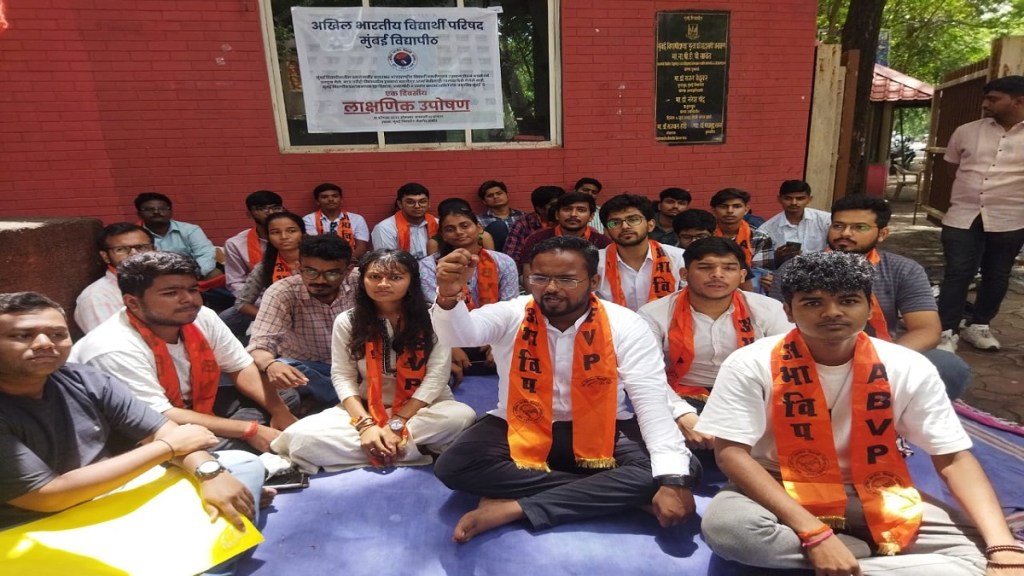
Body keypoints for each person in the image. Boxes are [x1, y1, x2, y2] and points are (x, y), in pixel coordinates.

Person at [697, 251, 1023, 575]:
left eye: (848, 301)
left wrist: (1003, 546)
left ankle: (849, 563)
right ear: (789, 311)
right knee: (730, 531)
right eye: (813, 303)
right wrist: (814, 534)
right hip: (776, 484)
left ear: (869, 307)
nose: (832, 313)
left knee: (984, 554)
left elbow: (952, 458)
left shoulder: (906, 366)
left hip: (871, 486)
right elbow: (731, 454)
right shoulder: (751, 363)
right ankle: (860, 553)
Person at [430, 236, 699, 543]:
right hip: (520, 420)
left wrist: (674, 480)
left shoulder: (625, 323)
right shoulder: (512, 313)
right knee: (453, 466)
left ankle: (516, 506)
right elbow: (459, 334)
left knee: (684, 467)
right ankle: (612, 492)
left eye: (567, 279)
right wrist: (450, 297)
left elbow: (650, 400)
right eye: (540, 278)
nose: (552, 288)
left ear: (593, 281)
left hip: (605, 425)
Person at [0, 291, 264, 549]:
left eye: (58, 334)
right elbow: (48, 497)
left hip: (112, 496)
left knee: (242, 465)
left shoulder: (84, 379)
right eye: (23, 335)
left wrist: (211, 474)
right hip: (36, 527)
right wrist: (167, 449)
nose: (46, 343)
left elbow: (164, 430)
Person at [69, 252, 298, 454]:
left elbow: (239, 366)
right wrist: (249, 429)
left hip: (191, 405)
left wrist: (279, 410)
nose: (188, 299)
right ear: (133, 303)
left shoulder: (201, 316)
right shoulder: (113, 347)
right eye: (170, 293)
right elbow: (157, 416)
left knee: (285, 397)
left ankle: (233, 441)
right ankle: (229, 444)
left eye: (192, 289)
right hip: (135, 429)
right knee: (209, 446)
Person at [270, 250, 476, 473]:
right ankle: (410, 448)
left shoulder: (435, 318)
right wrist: (366, 425)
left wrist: (397, 424)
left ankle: (380, 446)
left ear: (411, 281)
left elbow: (437, 378)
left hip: (425, 408)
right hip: (368, 407)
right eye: (375, 277)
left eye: (395, 277)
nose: (383, 284)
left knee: (461, 417)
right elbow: (342, 376)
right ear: (363, 281)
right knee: (301, 438)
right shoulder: (348, 321)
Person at [769, 194, 972, 400]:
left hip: (882, 353)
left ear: (882, 234)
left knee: (948, 367)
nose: (845, 234)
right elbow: (776, 326)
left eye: (860, 227)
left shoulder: (903, 270)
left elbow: (927, 329)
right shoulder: (795, 268)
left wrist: (880, 360)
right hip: (812, 354)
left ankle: (899, 421)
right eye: (838, 226)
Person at [638, 237, 792, 448]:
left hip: (752, 394)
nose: (717, 274)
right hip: (683, 394)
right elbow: (645, 375)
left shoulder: (769, 309)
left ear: (742, 275)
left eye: (729, 268)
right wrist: (681, 413)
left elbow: (789, 363)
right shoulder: (653, 314)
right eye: (705, 267)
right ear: (684, 274)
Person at [937, 75, 1024, 353]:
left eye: (993, 99)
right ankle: (945, 331)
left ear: (1018, 101)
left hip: (1010, 217)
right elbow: (953, 168)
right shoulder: (966, 131)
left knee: (997, 274)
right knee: (957, 273)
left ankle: (979, 325)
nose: (985, 104)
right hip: (963, 214)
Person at [247, 234, 359, 409]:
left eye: (332, 273)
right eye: (311, 272)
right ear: (299, 267)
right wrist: (270, 364)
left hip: (355, 364)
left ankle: (334, 398)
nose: (320, 280)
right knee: (283, 366)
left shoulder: (361, 282)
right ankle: (350, 396)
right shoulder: (282, 292)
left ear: (348, 271)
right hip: (310, 369)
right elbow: (260, 346)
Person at [420, 206, 519, 380]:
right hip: (444, 338)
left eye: (465, 226)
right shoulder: (428, 266)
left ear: (479, 228)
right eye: (450, 229)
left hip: (495, 336)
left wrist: (497, 342)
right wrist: (450, 346)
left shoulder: (503, 262)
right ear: (442, 235)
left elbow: (511, 308)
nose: (458, 232)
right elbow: (430, 311)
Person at [595, 193, 685, 311]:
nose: (625, 226)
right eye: (615, 222)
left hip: (667, 327)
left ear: (650, 225)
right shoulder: (594, 263)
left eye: (633, 219)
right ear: (606, 231)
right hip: (614, 328)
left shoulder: (679, 258)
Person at [74, 223, 155, 333]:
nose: (135, 254)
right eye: (121, 249)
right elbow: (111, 344)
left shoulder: (166, 284)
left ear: (155, 250)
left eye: (142, 247)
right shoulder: (97, 297)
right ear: (105, 256)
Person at [518, 192, 612, 278]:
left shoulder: (602, 243)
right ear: (557, 215)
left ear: (591, 216)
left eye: (581, 210)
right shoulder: (537, 239)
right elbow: (529, 278)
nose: (573, 214)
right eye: (567, 209)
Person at [232, 211, 305, 320]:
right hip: (280, 318)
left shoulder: (319, 261)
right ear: (268, 237)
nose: (284, 236)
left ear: (303, 234)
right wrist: (270, 318)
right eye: (275, 232)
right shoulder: (264, 267)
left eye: (291, 231)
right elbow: (242, 303)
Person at [134, 192, 220, 280]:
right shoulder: (134, 236)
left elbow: (205, 254)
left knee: (214, 273)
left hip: (191, 274)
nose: (156, 212)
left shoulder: (190, 230)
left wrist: (192, 274)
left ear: (170, 212)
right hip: (154, 279)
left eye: (162, 208)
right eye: (149, 209)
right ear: (139, 214)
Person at [223, 190, 285, 296]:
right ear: (249, 214)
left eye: (276, 208)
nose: (270, 212)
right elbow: (236, 283)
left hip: (296, 294)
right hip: (257, 298)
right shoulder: (235, 244)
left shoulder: (297, 238)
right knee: (225, 314)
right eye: (262, 208)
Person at [756, 180, 831, 265]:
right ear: (779, 199)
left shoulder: (825, 220)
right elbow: (759, 265)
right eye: (788, 198)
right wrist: (776, 256)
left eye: (800, 198)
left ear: (809, 199)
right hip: (785, 275)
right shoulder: (766, 229)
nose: (794, 203)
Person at [710, 188, 775, 272]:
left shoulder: (759, 237)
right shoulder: (706, 235)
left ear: (746, 210)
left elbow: (762, 273)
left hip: (749, 282)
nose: (730, 211)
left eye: (737, 206)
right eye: (723, 206)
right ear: (714, 211)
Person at [302, 182, 370, 261]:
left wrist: (347, 262)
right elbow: (313, 245)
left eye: (335, 196)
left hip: (350, 261)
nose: (330, 199)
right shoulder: (308, 220)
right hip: (321, 262)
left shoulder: (357, 219)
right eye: (324, 197)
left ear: (341, 200)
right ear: (317, 201)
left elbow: (361, 247)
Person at [371, 182, 438, 259]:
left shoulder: (438, 224)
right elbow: (387, 261)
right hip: (401, 269)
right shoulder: (385, 228)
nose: (417, 206)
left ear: (429, 204)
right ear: (400, 204)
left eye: (422, 202)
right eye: (410, 202)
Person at [503, 185, 565, 264]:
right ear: (540, 209)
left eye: (563, 204)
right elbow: (511, 256)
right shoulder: (523, 223)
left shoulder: (570, 221)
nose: (560, 208)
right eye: (555, 205)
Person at [476, 180, 526, 252]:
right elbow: (477, 242)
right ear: (484, 201)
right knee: (498, 226)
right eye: (490, 196)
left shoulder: (522, 217)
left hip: (519, 255)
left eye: (499, 193)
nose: (495, 197)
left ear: (506, 195)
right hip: (496, 257)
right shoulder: (478, 221)